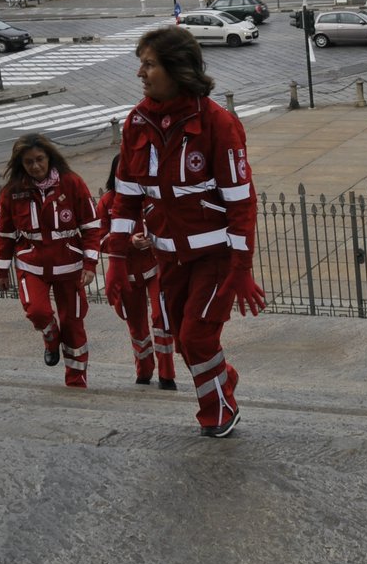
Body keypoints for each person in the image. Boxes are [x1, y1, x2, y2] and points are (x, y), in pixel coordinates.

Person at [105, 25, 265, 438]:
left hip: (215, 258)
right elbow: (125, 197)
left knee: (197, 336)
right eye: (140, 64)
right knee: (183, 338)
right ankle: (223, 377)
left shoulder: (217, 123)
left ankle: (218, 410)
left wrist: (241, 267)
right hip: (168, 258)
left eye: (149, 64)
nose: (141, 73)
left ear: (177, 69)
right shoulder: (136, 123)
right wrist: (116, 260)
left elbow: (241, 200)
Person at [0, 133, 102, 389]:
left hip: (70, 264)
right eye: (29, 162)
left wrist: (90, 264)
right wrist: (1, 271)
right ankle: (50, 335)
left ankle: (76, 381)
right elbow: (5, 234)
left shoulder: (72, 183)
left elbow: (91, 226)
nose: (35, 166)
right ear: (21, 164)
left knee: (73, 322)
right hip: (31, 264)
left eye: (40, 159)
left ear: (50, 158)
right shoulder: (12, 192)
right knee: (37, 311)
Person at [98, 155, 177, 391]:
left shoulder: (152, 198)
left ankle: (167, 375)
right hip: (127, 273)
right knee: (137, 325)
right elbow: (99, 240)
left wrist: (152, 240)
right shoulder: (106, 202)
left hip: (155, 268)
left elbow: (169, 228)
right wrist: (129, 242)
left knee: (161, 319)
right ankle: (144, 371)